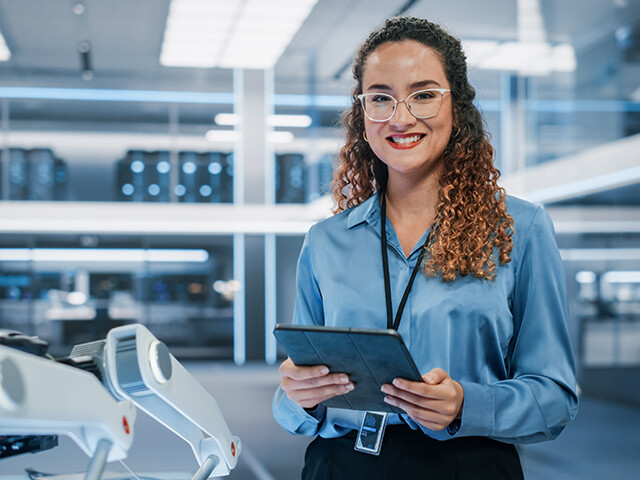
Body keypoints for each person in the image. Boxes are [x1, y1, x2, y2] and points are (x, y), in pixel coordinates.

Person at [272, 16, 579, 480]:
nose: (400, 117)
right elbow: (297, 394)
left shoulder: (521, 228)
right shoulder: (325, 241)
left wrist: (465, 404)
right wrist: (296, 395)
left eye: (423, 94)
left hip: (464, 464)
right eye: (381, 98)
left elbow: (555, 397)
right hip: (340, 464)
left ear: (458, 106)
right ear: (363, 114)